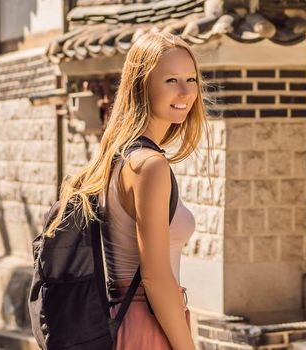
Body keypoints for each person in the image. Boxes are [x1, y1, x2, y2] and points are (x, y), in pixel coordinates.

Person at [43, 32, 205, 350]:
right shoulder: (150, 166)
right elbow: (156, 279)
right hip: (149, 324)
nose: (186, 92)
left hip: (122, 321)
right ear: (142, 85)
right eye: (171, 80)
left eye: (192, 79)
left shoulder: (117, 158)